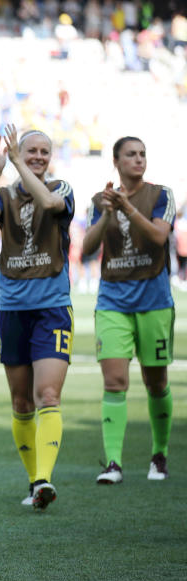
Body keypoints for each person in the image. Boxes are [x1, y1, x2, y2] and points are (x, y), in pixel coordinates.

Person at [0, 126, 73, 510]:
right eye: (31, 150)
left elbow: (48, 204)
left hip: (51, 308)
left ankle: (45, 478)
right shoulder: (5, 194)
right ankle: (35, 482)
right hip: (11, 309)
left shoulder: (61, 189)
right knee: (20, 402)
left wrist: (16, 162)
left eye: (44, 151)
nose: (37, 156)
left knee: (47, 394)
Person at [82, 137, 175, 484]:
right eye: (131, 155)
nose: (138, 159)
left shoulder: (161, 194)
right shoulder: (99, 201)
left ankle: (159, 455)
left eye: (142, 154)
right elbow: (87, 250)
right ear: (116, 162)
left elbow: (158, 237)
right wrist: (108, 212)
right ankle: (114, 464)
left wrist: (128, 208)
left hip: (153, 301)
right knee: (115, 381)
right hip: (113, 302)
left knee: (156, 382)